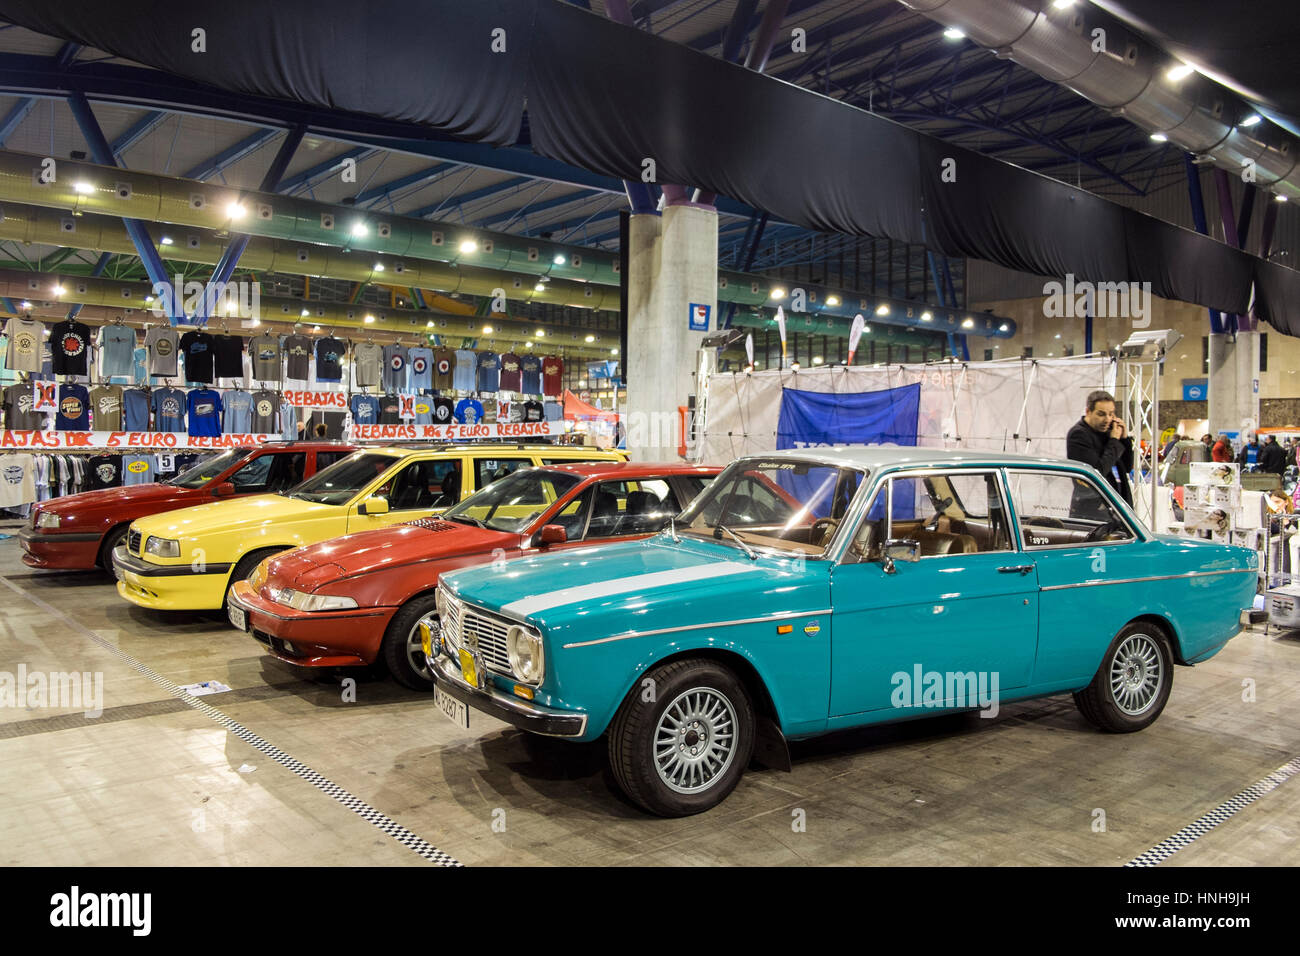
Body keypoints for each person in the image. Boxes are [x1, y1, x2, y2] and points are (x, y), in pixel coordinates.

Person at [1066, 390, 1134, 507]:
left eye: (1111, 414)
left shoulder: (1109, 431)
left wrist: (1124, 439)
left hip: (1118, 505)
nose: (1107, 419)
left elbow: (1127, 467)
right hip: (1093, 509)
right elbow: (1097, 472)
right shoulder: (1078, 435)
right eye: (1101, 414)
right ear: (1088, 412)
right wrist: (1114, 441)